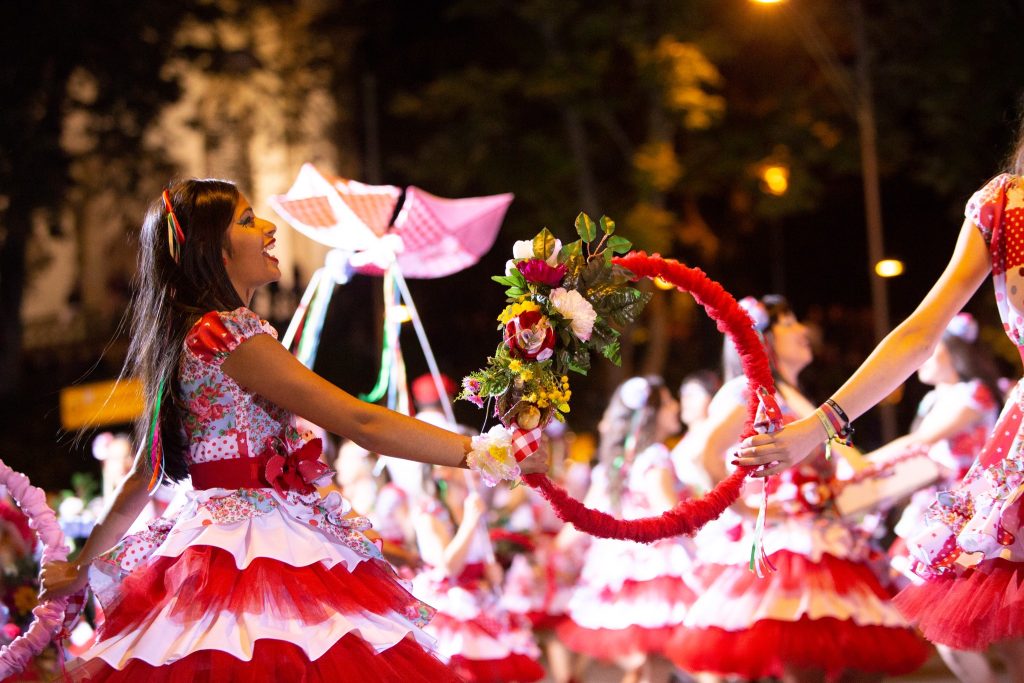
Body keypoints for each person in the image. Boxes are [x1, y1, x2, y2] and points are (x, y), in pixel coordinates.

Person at [38, 178, 548, 681]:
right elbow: (359, 420)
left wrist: (80, 567)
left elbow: (143, 478)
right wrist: (481, 451)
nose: (269, 229)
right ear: (211, 251)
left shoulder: (191, 336)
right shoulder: (230, 334)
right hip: (254, 550)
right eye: (246, 221)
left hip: (217, 542)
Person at [736, 145, 1024, 676]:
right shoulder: (1004, 207)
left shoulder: (971, 398)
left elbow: (918, 435)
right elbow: (917, 335)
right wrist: (821, 430)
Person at [666, 296, 927, 683]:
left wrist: (918, 450)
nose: (802, 331)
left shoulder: (796, 395)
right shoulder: (750, 389)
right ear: (762, 339)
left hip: (832, 536)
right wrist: (746, 510)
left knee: (858, 659)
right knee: (806, 657)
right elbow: (701, 455)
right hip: (792, 544)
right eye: (788, 323)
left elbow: (854, 464)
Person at [558, 376, 696, 683]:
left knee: (642, 661)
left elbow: (584, 519)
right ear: (651, 414)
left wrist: (555, 549)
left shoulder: (612, 465)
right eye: (668, 401)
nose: (674, 407)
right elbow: (669, 513)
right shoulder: (655, 456)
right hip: (653, 566)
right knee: (668, 660)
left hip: (615, 565)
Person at [410, 466, 545, 683]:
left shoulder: (472, 505)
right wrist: (470, 520)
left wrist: (490, 573)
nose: (473, 469)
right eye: (461, 463)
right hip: (449, 608)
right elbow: (447, 567)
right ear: (441, 472)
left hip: (481, 602)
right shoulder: (429, 512)